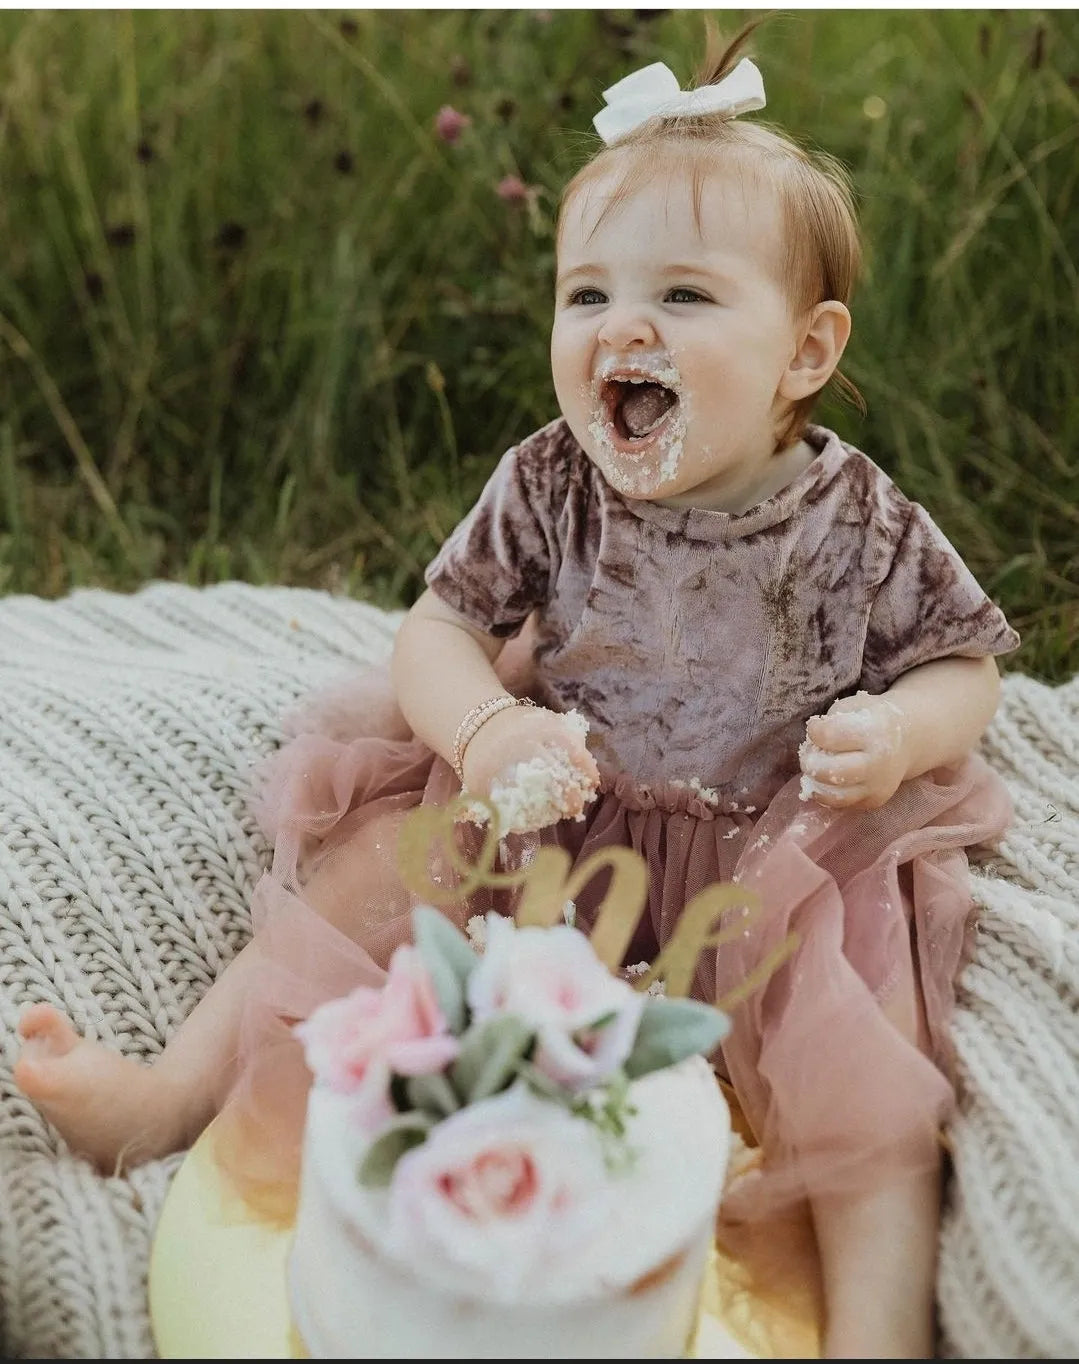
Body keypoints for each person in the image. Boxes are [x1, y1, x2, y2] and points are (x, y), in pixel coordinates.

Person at [14, 22, 1020, 1359]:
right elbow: (436, 626)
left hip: (770, 845)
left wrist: (898, 735)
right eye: (587, 293)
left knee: (866, 1068)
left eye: (688, 296)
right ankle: (167, 1093)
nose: (624, 327)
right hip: (556, 800)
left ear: (806, 351)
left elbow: (966, 663)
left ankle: (876, 1330)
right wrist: (485, 729)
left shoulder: (857, 523)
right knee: (366, 878)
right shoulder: (551, 482)